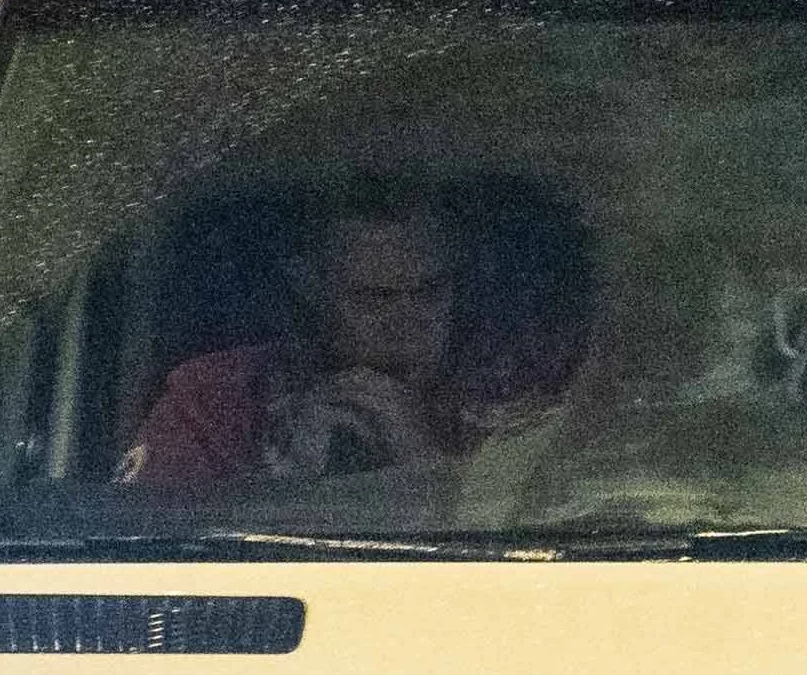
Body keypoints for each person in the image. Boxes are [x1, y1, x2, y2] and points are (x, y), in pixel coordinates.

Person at [122, 175, 591, 498]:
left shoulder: (521, 395)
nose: (404, 324)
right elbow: (151, 552)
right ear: (310, 289)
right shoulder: (219, 400)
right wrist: (287, 482)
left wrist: (421, 461)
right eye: (372, 299)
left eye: (429, 293)